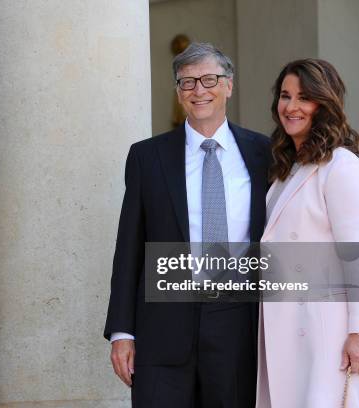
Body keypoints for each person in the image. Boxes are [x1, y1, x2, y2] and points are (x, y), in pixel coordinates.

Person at [104, 42, 271, 407]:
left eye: (209, 79)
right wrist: (122, 332)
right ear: (178, 92)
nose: (199, 91)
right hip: (162, 329)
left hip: (238, 324)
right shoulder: (147, 156)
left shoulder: (265, 154)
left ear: (229, 85)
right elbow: (129, 247)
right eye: (187, 82)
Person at [257, 58, 359, 407]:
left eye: (304, 97)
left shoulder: (341, 166)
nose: (291, 106)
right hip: (289, 323)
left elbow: (356, 255)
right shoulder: (287, 168)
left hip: (328, 329)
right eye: (285, 96)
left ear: (325, 103)